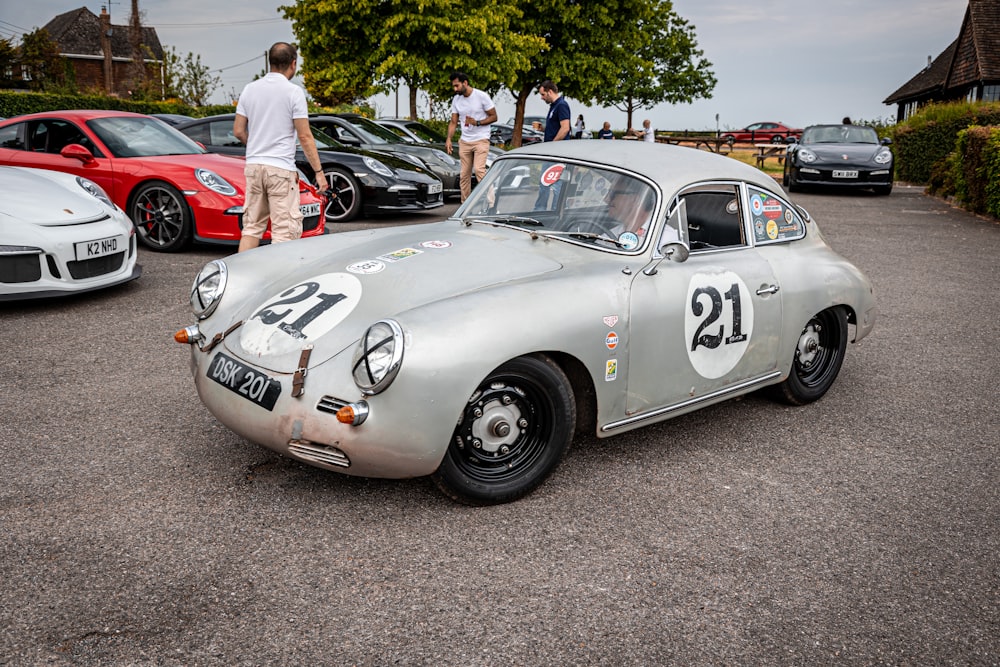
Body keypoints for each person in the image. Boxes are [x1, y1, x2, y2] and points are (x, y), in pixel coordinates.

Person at [233, 42, 327, 253]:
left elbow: (238, 130)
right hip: (280, 170)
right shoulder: (293, 92)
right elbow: (304, 135)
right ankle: (279, 283)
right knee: (284, 232)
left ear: (270, 62)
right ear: (293, 64)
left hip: (255, 166)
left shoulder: (250, 89)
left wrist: (257, 145)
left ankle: (243, 278)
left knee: (251, 228)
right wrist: (319, 173)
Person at [445, 72, 497, 202]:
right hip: (465, 141)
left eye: (457, 86)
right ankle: (465, 204)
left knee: (479, 170)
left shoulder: (481, 96)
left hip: (481, 139)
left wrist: (478, 122)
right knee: (464, 175)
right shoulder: (456, 99)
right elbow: (453, 121)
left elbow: (494, 117)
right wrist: (449, 139)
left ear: (465, 83)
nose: (455, 89)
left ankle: (491, 203)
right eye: (453, 86)